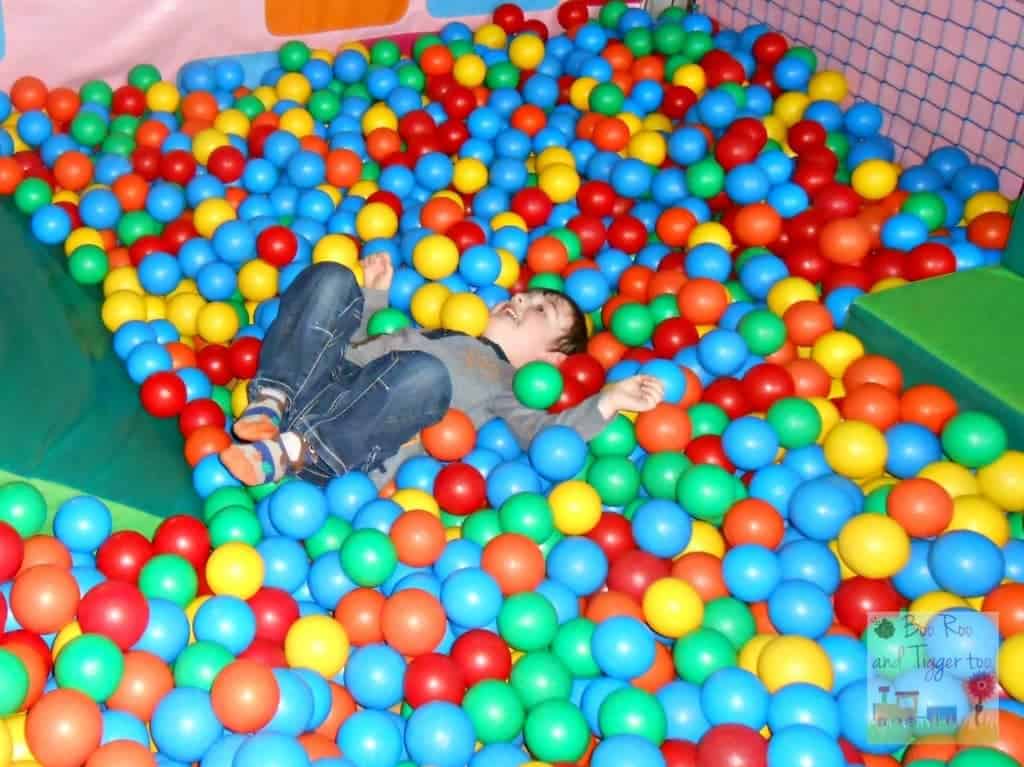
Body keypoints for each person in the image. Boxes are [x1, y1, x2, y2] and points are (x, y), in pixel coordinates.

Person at [220, 255, 666, 487]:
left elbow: (546, 436)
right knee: (335, 277)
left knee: (425, 375)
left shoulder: (510, 385)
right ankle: (272, 400)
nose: (522, 301)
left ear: (552, 361)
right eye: (525, 296)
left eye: (541, 309)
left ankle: (294, 451)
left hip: (343, 441)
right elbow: (347, 345)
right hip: (313, 387)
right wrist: (371, 298)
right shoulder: (440, 328)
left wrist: (607, 401)